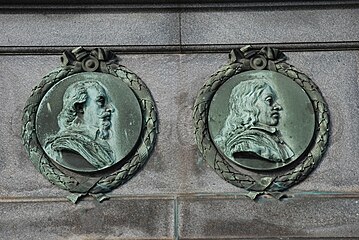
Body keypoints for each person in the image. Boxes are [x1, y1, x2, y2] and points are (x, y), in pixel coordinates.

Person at [215, 79, 294, 163]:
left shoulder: (266, 138)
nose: (278, 106)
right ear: (249, 105)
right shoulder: (245, 145)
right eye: (269, 100)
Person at [45, 81, 116, 170]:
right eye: (101, 101)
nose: (111, 108)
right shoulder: (65, 148)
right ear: (80, 107)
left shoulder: (99, 143)